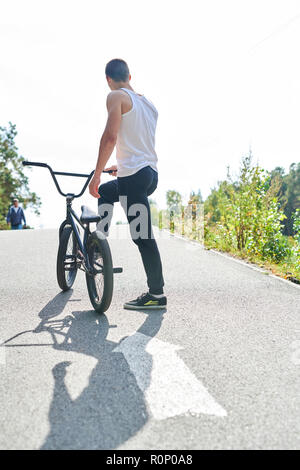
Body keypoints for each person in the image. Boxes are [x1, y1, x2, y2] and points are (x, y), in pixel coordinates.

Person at [89, 58, 166, 310]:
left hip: (134, 176)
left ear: (108, 79)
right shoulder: (148, 104)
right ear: (130, 77)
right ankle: (99, 243)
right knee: (107, 193)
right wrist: (119, 167)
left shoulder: (116, 97)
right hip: (148, 174)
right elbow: (138, 145)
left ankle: (156, 294)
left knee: (142, 235)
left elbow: (111, 137)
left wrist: (97, 173)